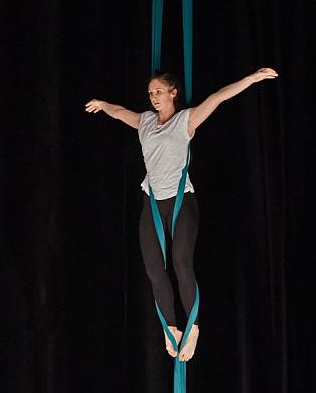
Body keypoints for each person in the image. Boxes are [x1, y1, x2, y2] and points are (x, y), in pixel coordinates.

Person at [85, 68, 278, 361]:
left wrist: (251, 79)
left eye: (159, 92)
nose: (154, 97)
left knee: (180, 263)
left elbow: (218, 97)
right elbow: (120, 112)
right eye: (150, 93)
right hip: (151, 202)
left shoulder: (185, 121)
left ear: (173, 92)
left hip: (180, 202)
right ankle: (171, 327)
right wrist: (102, 104)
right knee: (153, 270)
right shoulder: (146, 122)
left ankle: (194, 327)